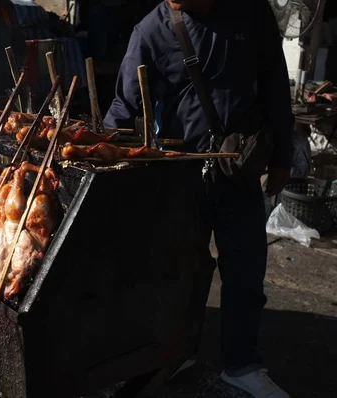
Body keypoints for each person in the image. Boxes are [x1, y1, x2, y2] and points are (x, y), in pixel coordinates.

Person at [104, 0, 293, 397]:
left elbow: (276, 83)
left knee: (244, 272)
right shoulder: (150, 30)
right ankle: (176, 351)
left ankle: (240, 365)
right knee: (178, 272)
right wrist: (101, 154)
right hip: (181, 177)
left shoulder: (251, 13)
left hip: (237, 169)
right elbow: (125, 105)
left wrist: (282, 158)